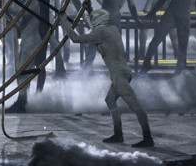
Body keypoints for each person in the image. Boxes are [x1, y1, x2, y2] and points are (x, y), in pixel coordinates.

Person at [57, 9, 154, 148]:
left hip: (118, 75)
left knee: (135, 106)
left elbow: (75, 38)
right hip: (123, 72)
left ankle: (147, 137)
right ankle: (118, 134)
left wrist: (63, 21)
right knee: (110, 100)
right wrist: (88, 9)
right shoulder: (112, 29)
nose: (91, 19)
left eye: (92, 17)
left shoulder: (100, 33)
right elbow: (96, 30)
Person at [0, 0, 50, 113]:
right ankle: (30, 98)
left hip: (34, 39)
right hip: (34, 38)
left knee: (23, 71)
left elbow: (21, 11)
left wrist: (4, 6)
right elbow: (19, 15)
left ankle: (23, 101)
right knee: (29, 69)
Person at [142, 0, 196, 74]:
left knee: (156, 39)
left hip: (170, 15)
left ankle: (146, 63)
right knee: (182, 45)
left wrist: (152, 13)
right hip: (184, 16)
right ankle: (179, 70)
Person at [41, 0, 77, 76]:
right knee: (50, 36)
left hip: (40, 5)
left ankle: (56, 65)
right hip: (46, 7)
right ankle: (59, 67)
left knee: (45, 36)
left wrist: (56, 13)